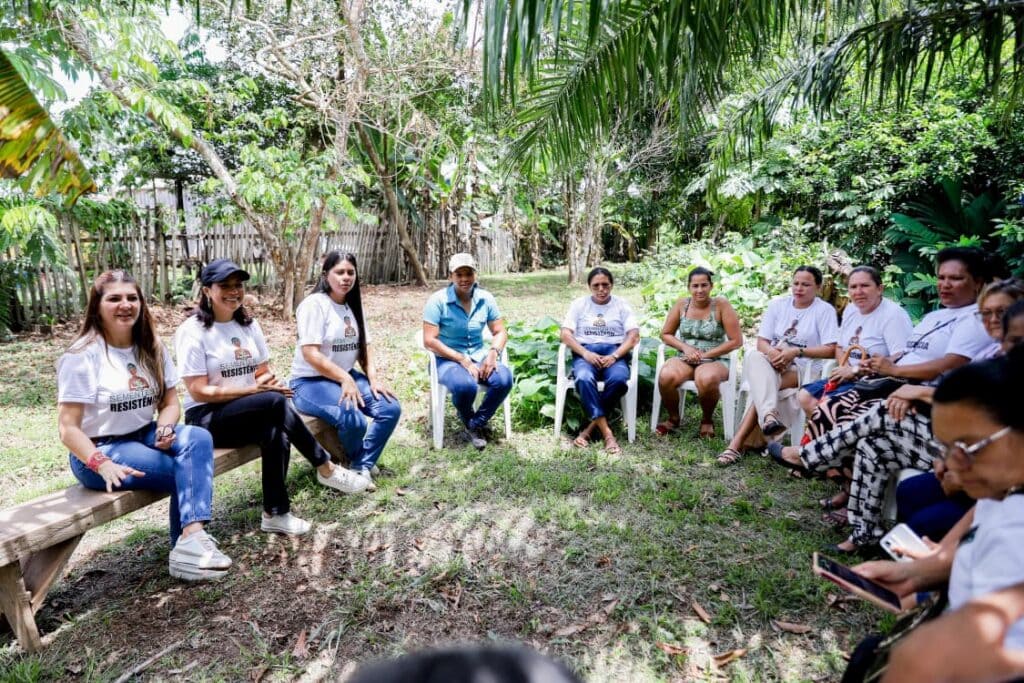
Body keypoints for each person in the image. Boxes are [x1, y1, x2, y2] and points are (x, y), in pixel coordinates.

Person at [770, 278, 1024, 552]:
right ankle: (863, 534)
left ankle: (810, 457)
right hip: (957, 442)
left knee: (883, 413)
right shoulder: (992, 350)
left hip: (983, 456)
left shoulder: (1008, 357)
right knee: (873, 446)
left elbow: (981, 407)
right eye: (986, 313)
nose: (994, 319)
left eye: (1003, 312)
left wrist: (916, 393)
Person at [839, 347, 1024, 681]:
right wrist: (922, 574)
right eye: (944, 448)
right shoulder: (1001, 492)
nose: (944, 468)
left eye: (967, 448)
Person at [57, 270, 231, 581]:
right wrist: (101, 463)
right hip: (99, 450)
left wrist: (165, 427)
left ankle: (189, 542)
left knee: (198, 438)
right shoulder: (82, 356)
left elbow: (170, 403)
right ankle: (189, 547)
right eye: (114, 298)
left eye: (132, 298)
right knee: (186, 470)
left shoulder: (151, 346)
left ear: (141, 303)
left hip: (143, 433)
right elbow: (68, 429)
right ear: (97, 306)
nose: (125, 305)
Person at [175, 259, 367, 537]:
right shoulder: (193, 331)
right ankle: (325, 466)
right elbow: (198, 391)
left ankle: (275, 513)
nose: (234, 291)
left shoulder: (248, 326)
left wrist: (273, 385)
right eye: (224, 286)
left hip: (248, 409)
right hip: (207, 419)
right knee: (275, 405)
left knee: (276, 430)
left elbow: (262, 373)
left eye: (238, 285)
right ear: (206, 291)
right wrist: (256, 392)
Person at [804, 247, 996, 441]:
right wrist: (876, 364)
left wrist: (891, 371)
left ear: (977, 282)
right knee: (826, 405)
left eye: (955, 278)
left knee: (835, 409)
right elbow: (906, 351)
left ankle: (808, 458)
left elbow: (950, 365)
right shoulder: (934, 316)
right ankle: (823, 465)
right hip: (885, 380)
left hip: (914, 388)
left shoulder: (975, 318)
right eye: (941, 277)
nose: (945, 285)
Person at [289, 252, 401, 491]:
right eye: (339, 272)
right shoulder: (314, 305)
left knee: (390, 407)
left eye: (350, 272)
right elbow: (311, 353)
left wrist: (373, 378)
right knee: (355, 421)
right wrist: (345, 378)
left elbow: (364, 347)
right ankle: (359, 462)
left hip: (343, 377)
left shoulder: (352, 306)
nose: (346, 277)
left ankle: (360, 464)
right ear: (325, 275)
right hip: (309, 383)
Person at [716, 265, 839, 466]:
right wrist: (774, 354)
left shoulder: (824, 311)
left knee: (764, 388)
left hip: (804, 368)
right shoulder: (778, 306)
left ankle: (736, 444)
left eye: (806, 284)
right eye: (796, 283)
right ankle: (769, 417)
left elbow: (831, 348)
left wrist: (796, 352)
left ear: (818, 287)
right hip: (772, 363)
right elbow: (762, 342)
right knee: (756, 356)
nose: (799, 288)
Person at [422, 253, 512, 451]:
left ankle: (474, 423)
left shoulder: (485, 298)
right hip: (447, 360)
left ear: (475, 274)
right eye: (459, 274)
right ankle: (470, 419)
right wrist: (461, 359)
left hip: (480, 355)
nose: (464, 279)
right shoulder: (438, 300)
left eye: (468, 273)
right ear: (450, 276)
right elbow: (429, 340)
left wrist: (492, 353)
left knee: (504, 379)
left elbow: (500, 331)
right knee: (466, 386)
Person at [796, 266, 914, 416]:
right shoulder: (851, 309)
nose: (858, 292)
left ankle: (836, 435)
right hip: (850, 376)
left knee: (826, 405)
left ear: (880, 289)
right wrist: (845, 367)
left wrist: (855, 370)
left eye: (865, 286)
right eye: (853, 287)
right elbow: (839, 346)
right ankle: (829, 435)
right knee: (805, 396)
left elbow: (901, 358)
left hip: (876, 382)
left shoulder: (893, 315)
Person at [654, 266, 743, 438]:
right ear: (689, 287)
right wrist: (686, 348)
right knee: (666, 375)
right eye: (695, 286)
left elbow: (736, 341)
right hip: (685, 356)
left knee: (707, 378)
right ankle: (673, 418)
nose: (700, 290)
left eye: (704, 285)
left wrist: (705, 355)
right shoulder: (682, 304)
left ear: (711, 286)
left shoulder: (721, 305)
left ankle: (707, 419)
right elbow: (665, 334)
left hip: (715, 358)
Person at [559, 267, 640, 454]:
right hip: (586, 352)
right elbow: (565, 334)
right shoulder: (579, 304)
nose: (601, 289)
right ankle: (608, 434)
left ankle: (589, 428)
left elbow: (634, 335)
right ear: (589, 287)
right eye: (596, 285)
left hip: (614, 353)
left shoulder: (622, 305)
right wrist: (585, 353)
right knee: (584, 378)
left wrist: (615, 355)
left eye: (605, 284)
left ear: (611, 285)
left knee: (619, 380)